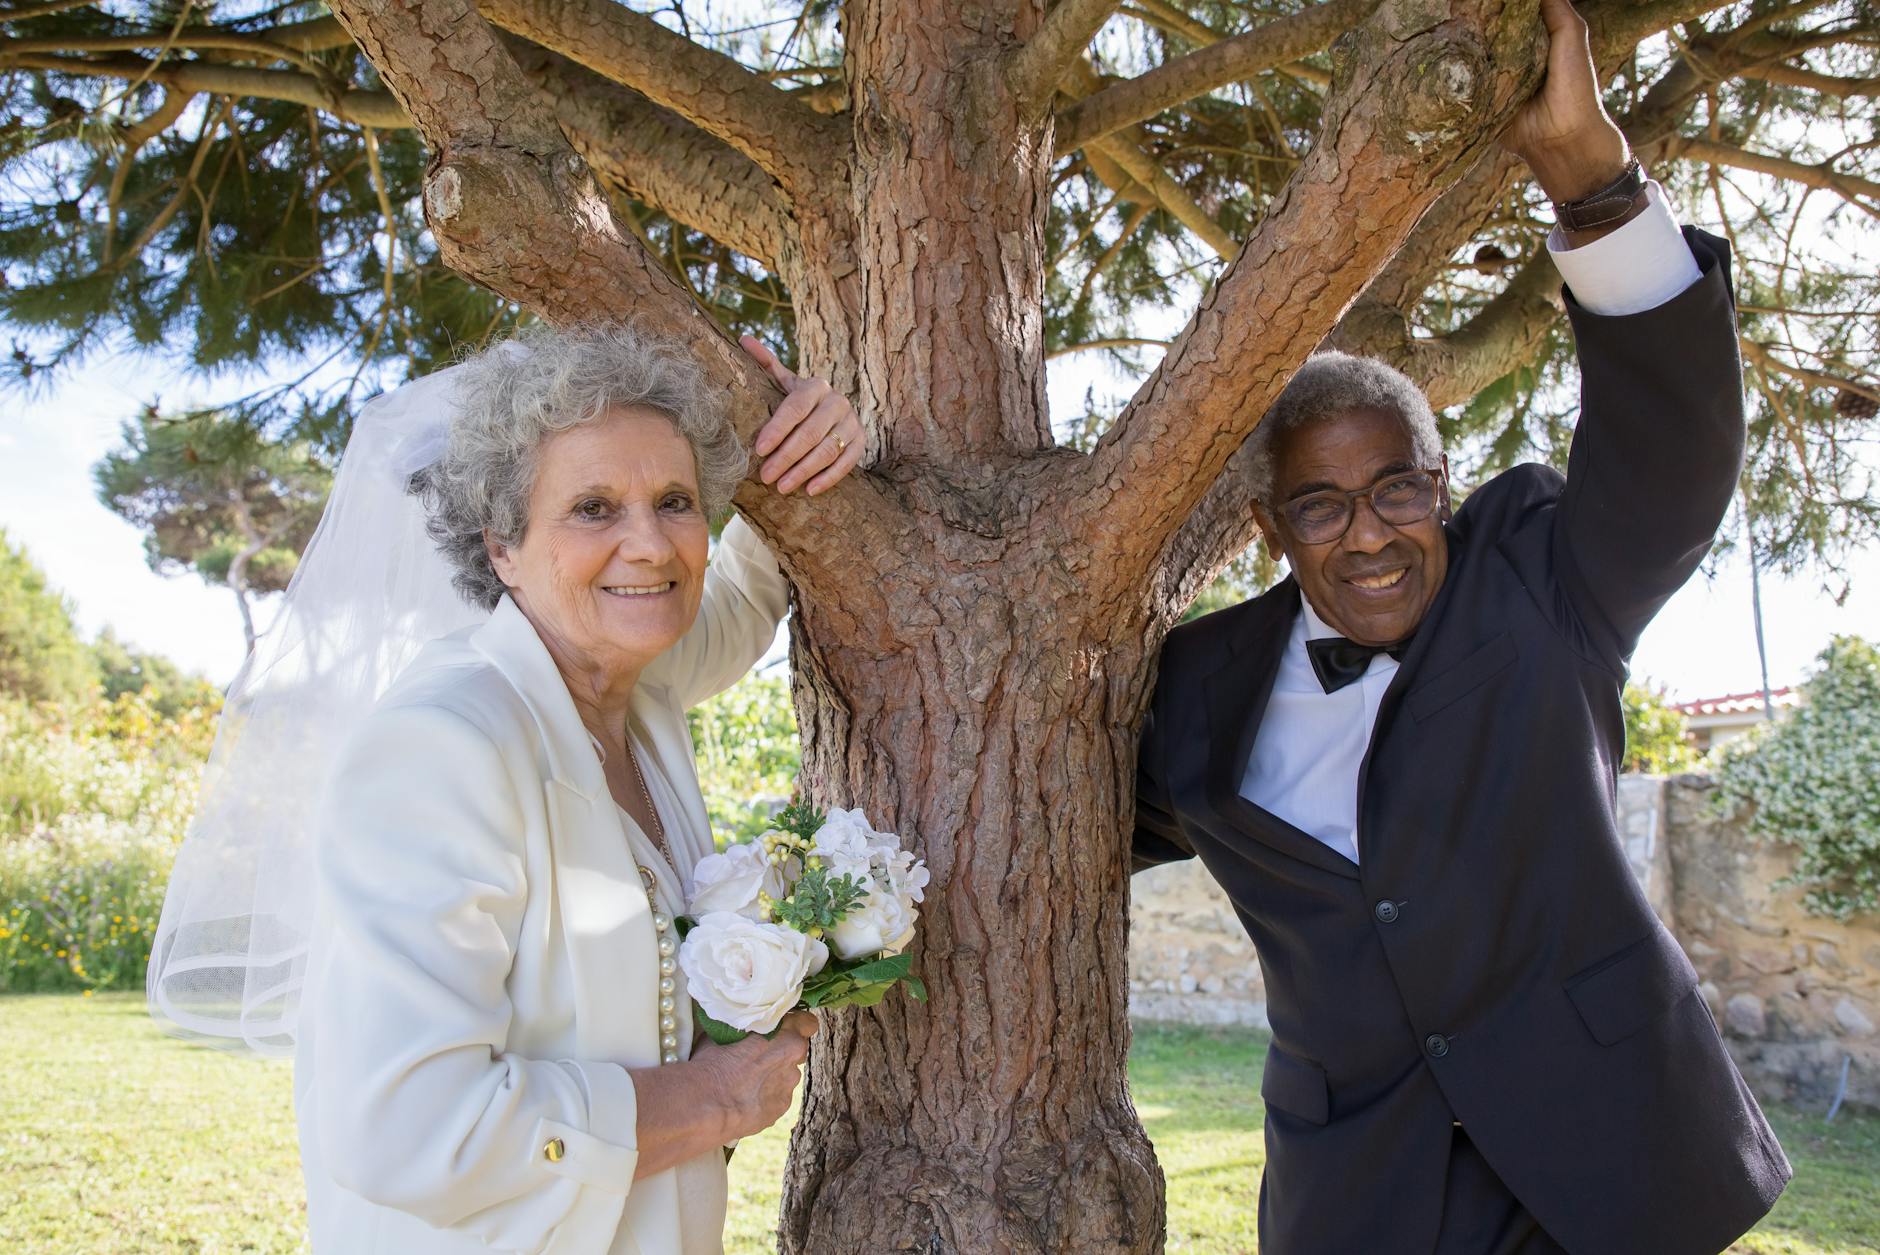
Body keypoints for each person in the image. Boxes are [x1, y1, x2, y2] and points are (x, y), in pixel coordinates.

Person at [1131, 2, 1790, 1252]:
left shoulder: (1537, 577)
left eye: (1396, 489)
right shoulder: (1200, 684)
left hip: (1608, 1160)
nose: (1367, 533)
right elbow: (1039, 816)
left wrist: (1589, 182)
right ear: (1270, 531)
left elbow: (1670, 454)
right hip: (1356, 1189)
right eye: (1320, 506)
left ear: (1442, 486)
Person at [147, 324, 864, 1253]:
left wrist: (802, 445)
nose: (649, 545)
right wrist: (709, 1099)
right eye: (594, 508)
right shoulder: (443, 746)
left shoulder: (636, 690)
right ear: (502, 548)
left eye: (676, 500)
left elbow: (729, 599)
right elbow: (404, 1126)